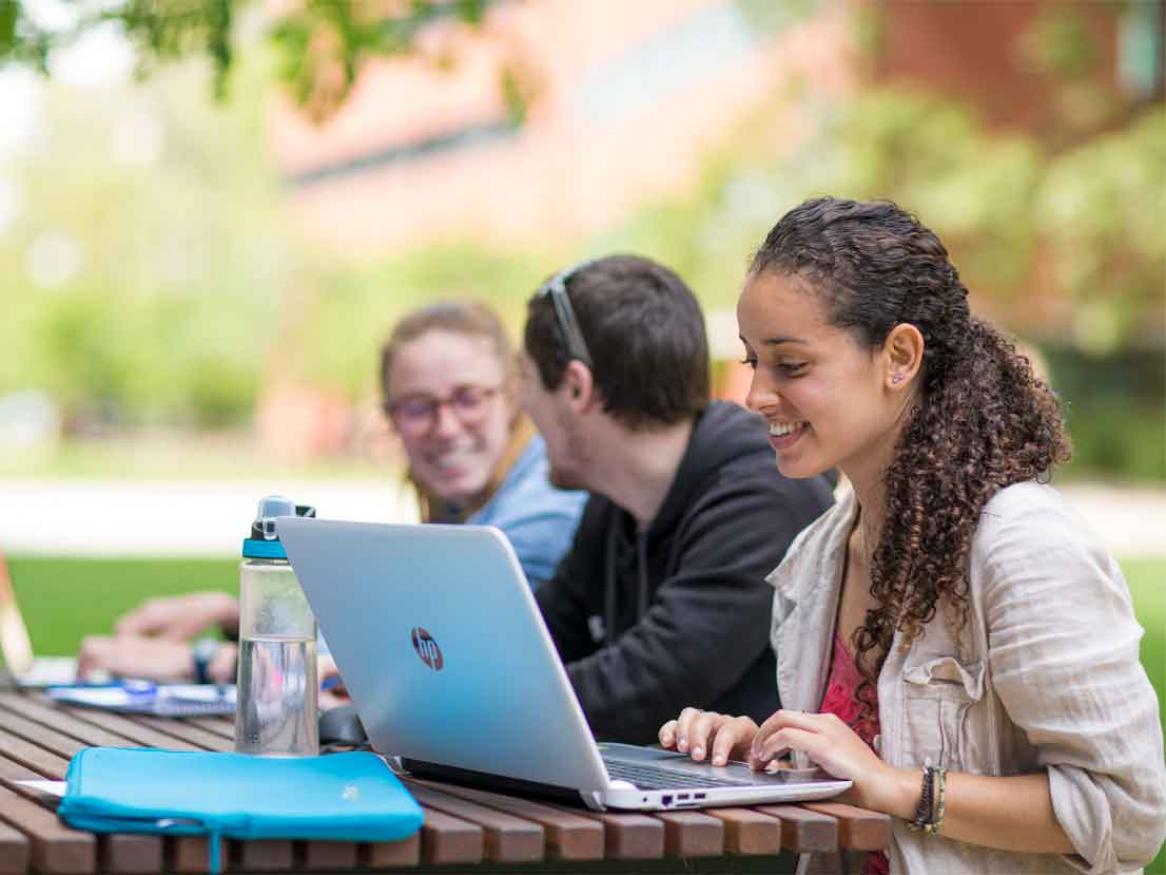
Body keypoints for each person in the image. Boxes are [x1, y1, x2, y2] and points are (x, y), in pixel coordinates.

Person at [658, 198, 1166, 873]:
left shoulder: (1022, 546)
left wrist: (898, 787)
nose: (756, 394)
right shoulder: (817, 555)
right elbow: (861, 766)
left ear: (899, 356)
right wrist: (769, 754)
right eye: (754, 361)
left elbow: (1127, 813)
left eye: (791, 365)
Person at [77, 301, 586, 683]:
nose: (446, 427)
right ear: (391, 419)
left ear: (513, 397)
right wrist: (238, 614)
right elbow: (392, 628)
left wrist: (206, 662)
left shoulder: (544, 510)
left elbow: (421, 662)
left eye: (468, 399)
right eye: (417, 407)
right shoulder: (472, 504)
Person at [520, 254, 835, 744]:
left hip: (764, 794)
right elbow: (539, 639)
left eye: (525, 380)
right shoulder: (616, 502)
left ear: (576, 387)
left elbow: (644, 690)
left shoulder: (765, 494)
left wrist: (474, 709)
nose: (523, 405)